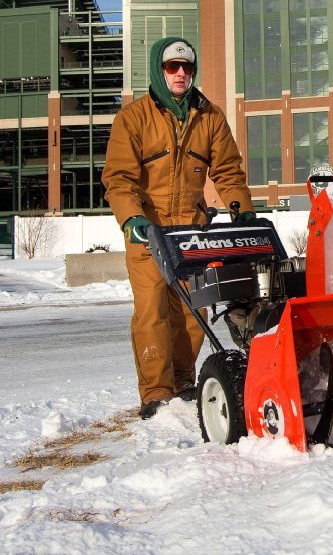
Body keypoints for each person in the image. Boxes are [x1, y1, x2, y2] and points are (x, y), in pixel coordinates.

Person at [102, 36, 256, 419]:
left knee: (194, 311)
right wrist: (131, 217)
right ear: (159, 69)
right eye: (173, 66)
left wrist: (242, 209)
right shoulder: (134, 117)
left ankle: (184, 380)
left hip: (191, 230)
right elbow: (119, 178)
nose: (181, 74)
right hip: (148, 231)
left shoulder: (210, 116)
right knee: (153, 309)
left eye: (187, 67)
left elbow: (228, 171)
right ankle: (156, 391)